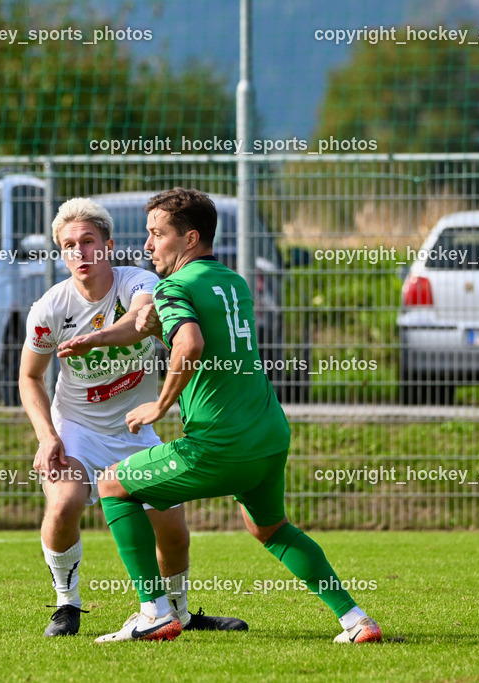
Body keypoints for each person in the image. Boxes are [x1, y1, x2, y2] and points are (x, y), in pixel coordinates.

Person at [93, 188, 382, 644]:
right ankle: (356, 620)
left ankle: (154, 612)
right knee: (269, 527)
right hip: (268, 434)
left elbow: (189, 344)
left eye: (156, 234)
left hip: (220, 444)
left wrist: (159, 405)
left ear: (189, 239)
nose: (148, 245)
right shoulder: (234, 281)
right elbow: (188, 329)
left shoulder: (174, 286)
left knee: (112, 484)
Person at [19, 197, 248, 637]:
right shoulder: (49, 309)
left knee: (173, 529)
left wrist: (97, 338)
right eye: (69, 246)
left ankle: (177, 614)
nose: (79, 253)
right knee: (64, 503)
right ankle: (67, 606)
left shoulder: (137, 282)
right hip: (78, 430)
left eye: (88, 241)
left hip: (134, 427)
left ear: (107, 245)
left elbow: (144, 317)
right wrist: (47, 436)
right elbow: (30, 376)